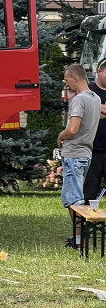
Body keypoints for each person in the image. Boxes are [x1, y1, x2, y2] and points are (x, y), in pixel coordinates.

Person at [60, 64, 100, 248]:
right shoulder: (96, 98)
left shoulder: (80, 100)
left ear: (75, 78)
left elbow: (73, 129)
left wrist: (60, 136)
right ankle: (77, 238)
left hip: (74, 153)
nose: (66, 83)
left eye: (67, 80)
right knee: (74, 198)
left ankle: (78, 241)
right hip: (86, 153)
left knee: (74, 200)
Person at [83, 58, 106, 206]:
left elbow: (93, 112)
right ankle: (84, 227)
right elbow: (85, 115)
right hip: (92, 151)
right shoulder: (88, 91)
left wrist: (97, 109)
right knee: (88, 194)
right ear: (99, 71)